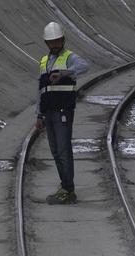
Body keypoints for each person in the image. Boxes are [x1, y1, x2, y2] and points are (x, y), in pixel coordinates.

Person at [33, 21, 89, 204]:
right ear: (46, 43)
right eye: (51, 42)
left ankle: (68, 190)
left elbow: (85, 66)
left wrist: (65, 73)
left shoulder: (69, 57)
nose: (55, 45)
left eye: (57, 41)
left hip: (63, 112)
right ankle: (65, 185)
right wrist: (38, 115)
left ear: (63, 40)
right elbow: (41, 90)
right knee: (56, 152)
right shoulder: (44, 61)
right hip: (48, 113)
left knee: (64, 151)